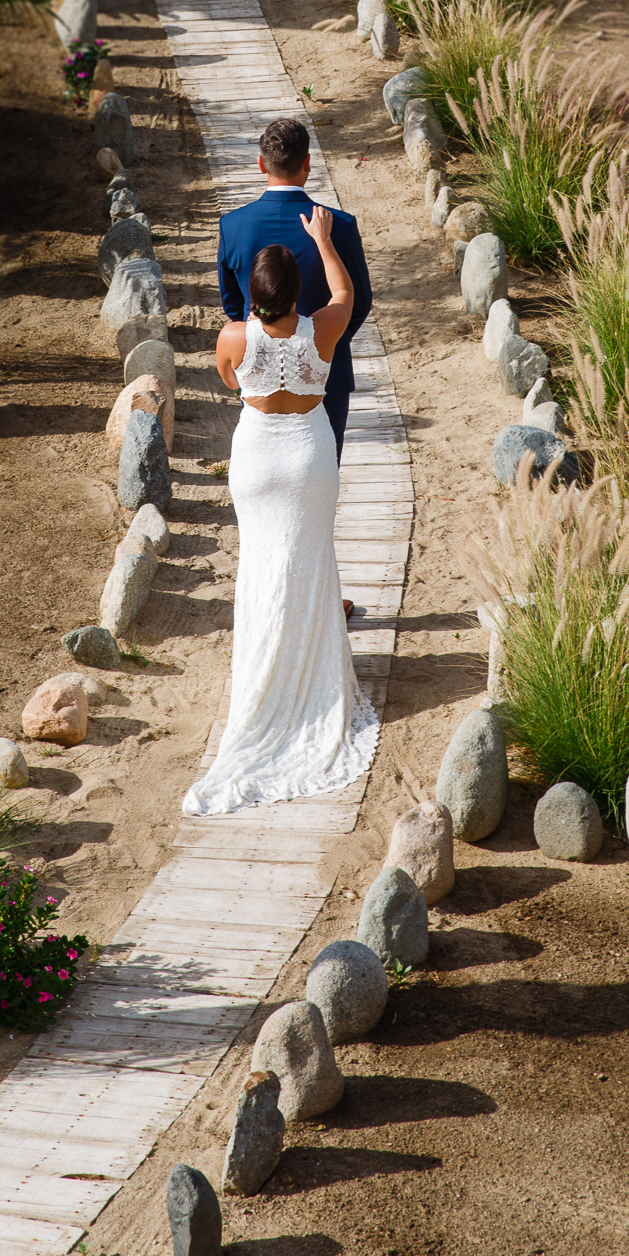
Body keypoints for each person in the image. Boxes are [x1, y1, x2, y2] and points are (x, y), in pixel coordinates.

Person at [182, 211, 378, 815]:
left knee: (263, 566)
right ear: (296, 294)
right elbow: (345, 292)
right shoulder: (323, 329)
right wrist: (322, 241)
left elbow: (227, 380)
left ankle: (263, 681)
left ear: (253, 296)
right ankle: (313, 678)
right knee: (310, 562)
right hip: (311, 459)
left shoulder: (233, 340)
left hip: (260, 460)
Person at [216, 117, 372, 464]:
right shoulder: (340, 226)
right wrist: (325, 342)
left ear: (261, 164)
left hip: (260, 377)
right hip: (326, 375)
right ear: (307, 163)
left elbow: (232, 303)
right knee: (322, 479)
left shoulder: (233, 225)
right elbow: (357, 301)